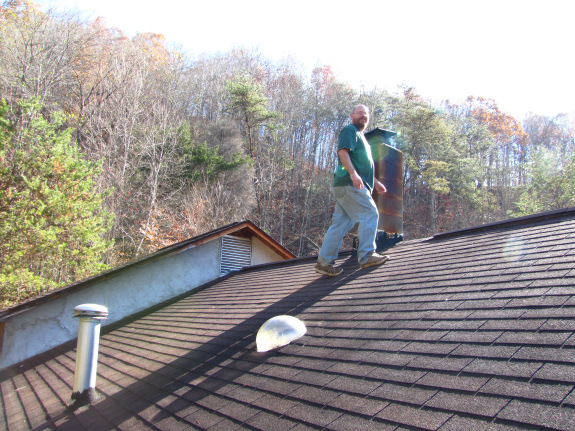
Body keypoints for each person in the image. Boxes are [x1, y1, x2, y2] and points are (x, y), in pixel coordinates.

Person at [315, 104, 390, 276]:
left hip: (346, 185)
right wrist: (353, 174)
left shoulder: (361, 137)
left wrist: (375, 182)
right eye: (360, 113)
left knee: (340, 223)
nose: (363, 116)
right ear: (352, 116)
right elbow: (342, 152)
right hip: (350, 184)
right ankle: (366, 255)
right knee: (370, 213)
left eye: (366, 114)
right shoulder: (350, 130)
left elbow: (362, 166)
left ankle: (324, 262)